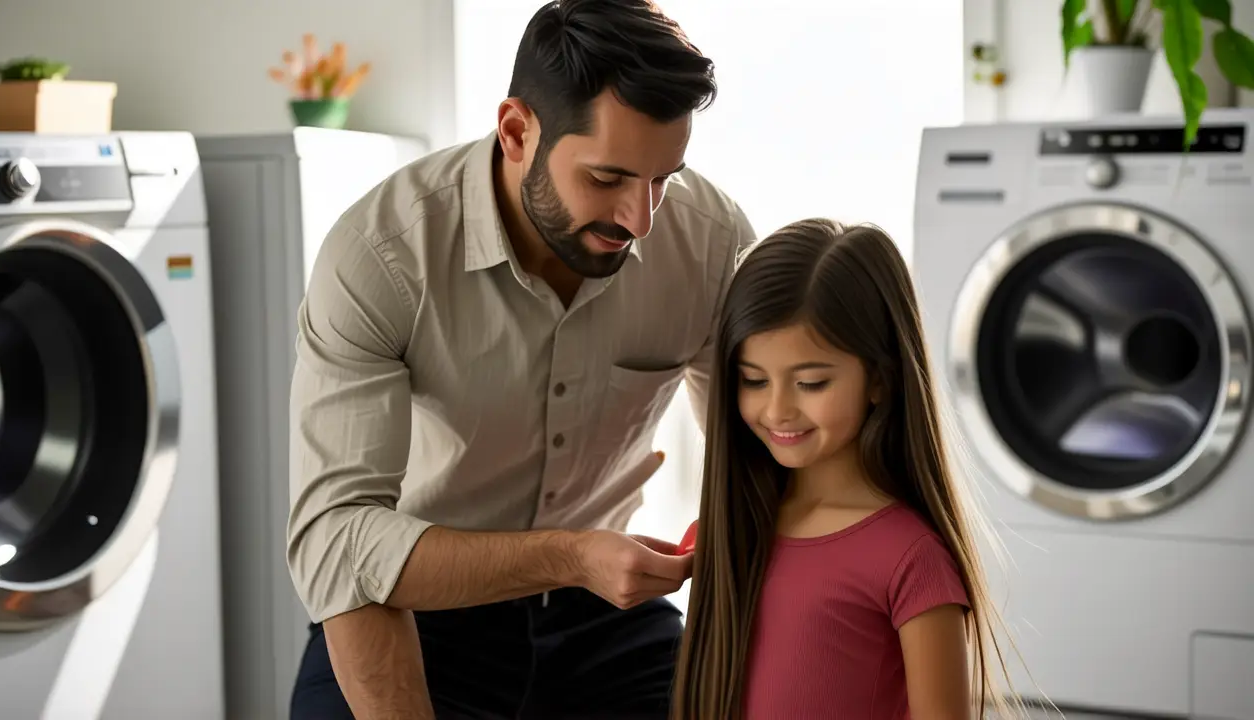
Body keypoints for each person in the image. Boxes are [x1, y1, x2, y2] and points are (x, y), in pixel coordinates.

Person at [285, 1, 755, 718]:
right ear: (516, 132)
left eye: (664, 179)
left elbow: (763, 450)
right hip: (420, 607)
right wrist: (570, 555)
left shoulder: (711, 241)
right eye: (607, 179)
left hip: (606, 614)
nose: (641, 220)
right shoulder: (381, 255)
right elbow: (340, 541)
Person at [669, 219, 1030, 719]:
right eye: (753, 380)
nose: (777, 410)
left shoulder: (912, 558)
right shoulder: (734, 529)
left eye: (811, 383)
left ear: (880, 379)